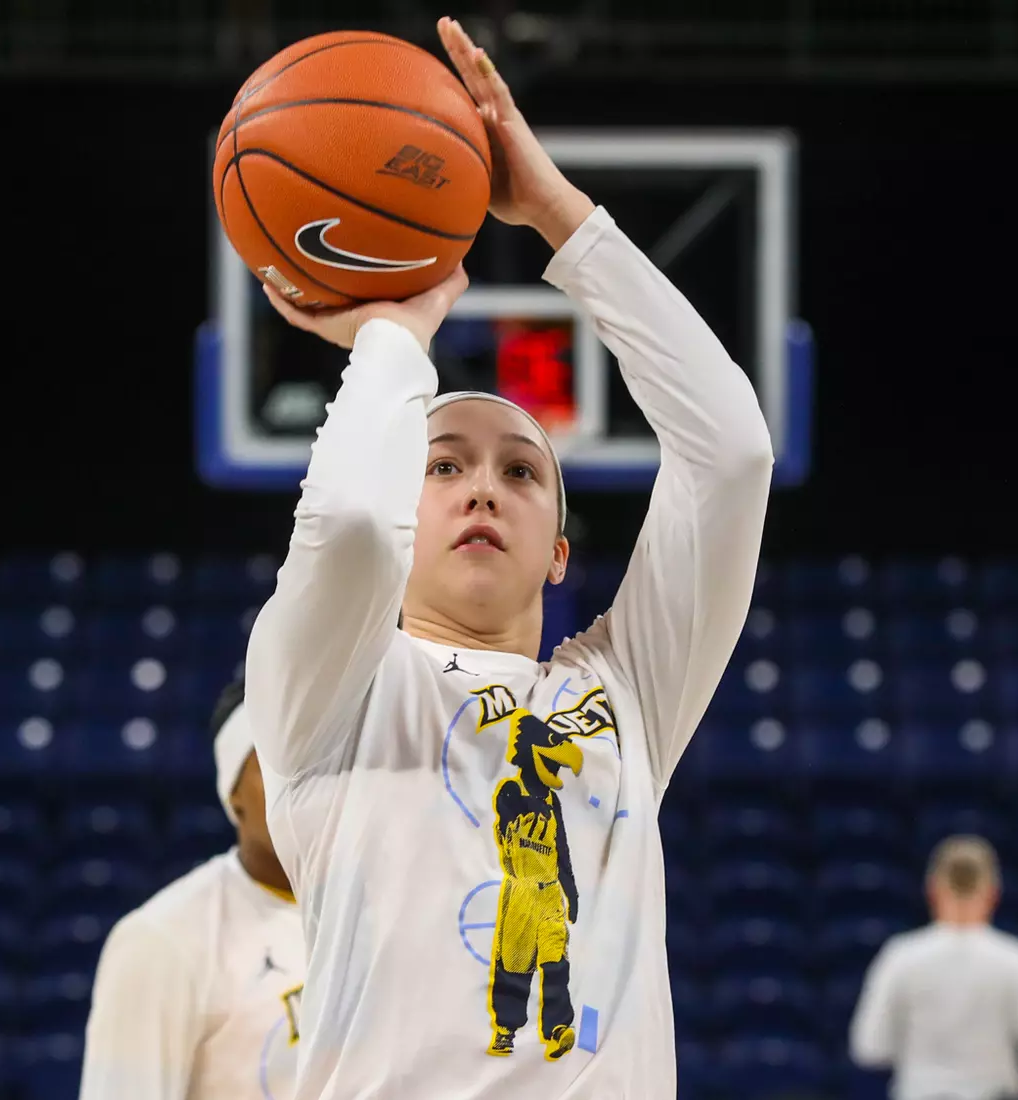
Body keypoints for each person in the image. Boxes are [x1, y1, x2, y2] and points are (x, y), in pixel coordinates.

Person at [242, 16, 773, 1099]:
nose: (483, 485)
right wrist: (397, 331)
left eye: (521, 471)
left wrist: (559, 216)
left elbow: (731, 453)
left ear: (559, 554)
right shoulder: (331, 694)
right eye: (442, 464)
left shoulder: (624, 697)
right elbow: (350, 526)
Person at [79, 680, 305, 1100]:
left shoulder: (390, 912)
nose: (304, 784)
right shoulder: (164, 938)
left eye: (322, 761)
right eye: (278, 764)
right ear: (233, 792)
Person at [848, 836, 1018, 1100]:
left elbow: (869, 1046)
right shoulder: (1017, 961)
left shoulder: (901, 956)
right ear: (993, 893)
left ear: (932, 890)